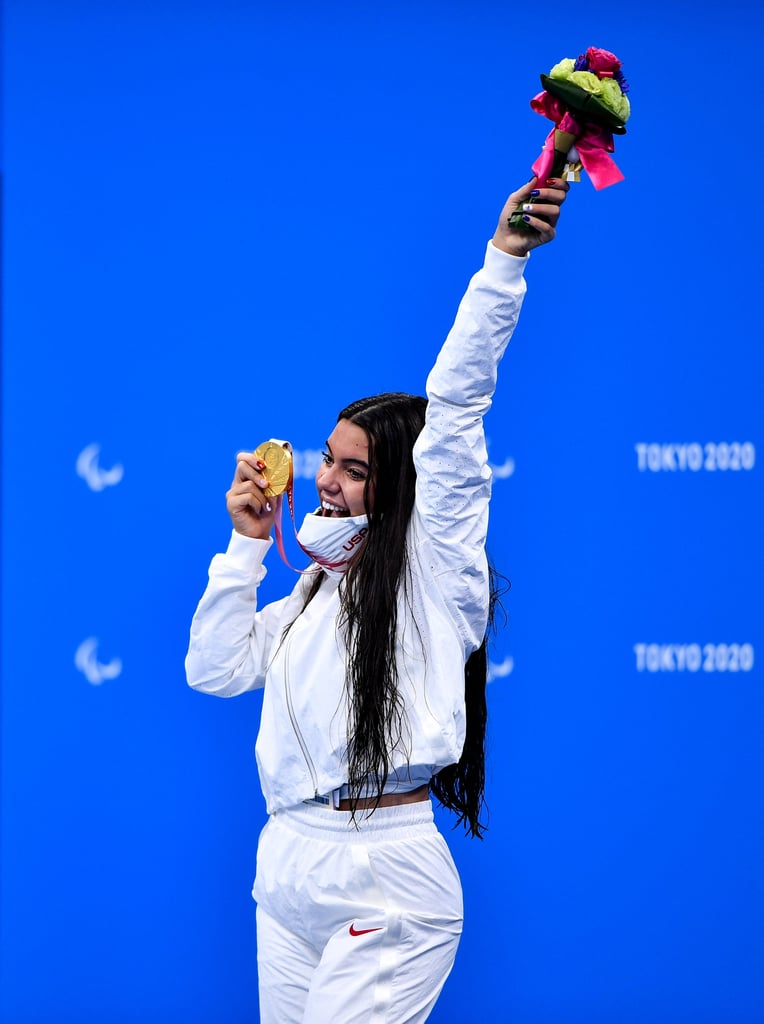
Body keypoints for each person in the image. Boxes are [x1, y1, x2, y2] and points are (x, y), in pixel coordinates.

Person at [185, 176, 568, 1023]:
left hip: (384, 876)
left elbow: (460, 402)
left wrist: (503, 261)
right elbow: (213, 671)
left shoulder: (435, 570)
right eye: (331, 457)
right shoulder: (316, 587)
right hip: (285, 864)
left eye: (355, 470)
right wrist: (247, 546)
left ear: (402, 489)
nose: (326, 480)